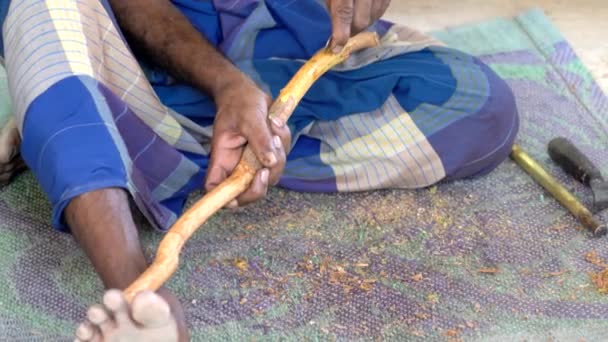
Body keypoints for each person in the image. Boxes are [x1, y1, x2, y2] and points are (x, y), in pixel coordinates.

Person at [0, 0, 519, 340]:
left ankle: (78, 123)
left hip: (274, 39)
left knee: (476, 103)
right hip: (133, 38)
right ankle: (140, 300)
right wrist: (226, 85)